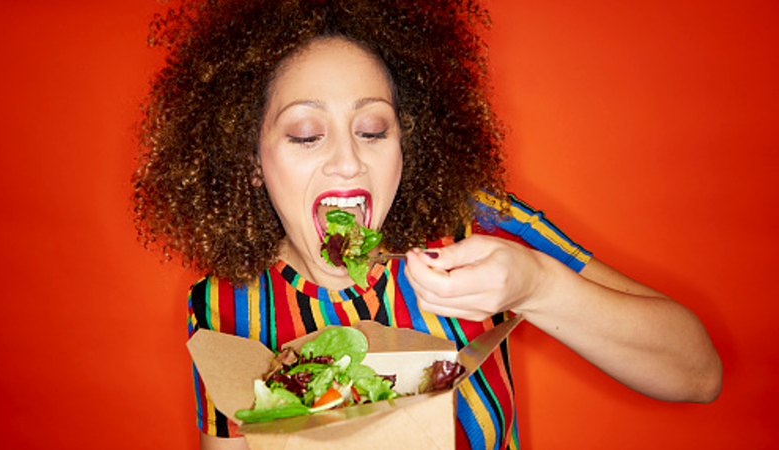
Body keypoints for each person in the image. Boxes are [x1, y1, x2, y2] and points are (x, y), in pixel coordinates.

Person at [132, 0, 722, 449]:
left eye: (372, 130)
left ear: (407, 144)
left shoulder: (477, 228)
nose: (347, 160)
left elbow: (698, 374)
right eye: (306, 135)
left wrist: (539, 286)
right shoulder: (222, 308)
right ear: (253, 162)